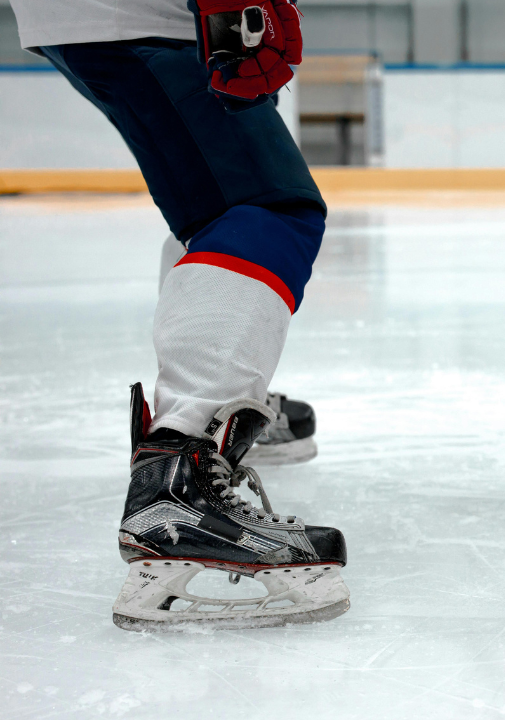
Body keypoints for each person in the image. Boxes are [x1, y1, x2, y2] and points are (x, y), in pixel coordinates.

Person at [9, 0, 350, 628]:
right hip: (146, 16)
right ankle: (181, 468)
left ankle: (222, 411)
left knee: (214, 207)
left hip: (110, 18)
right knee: (264, 211)